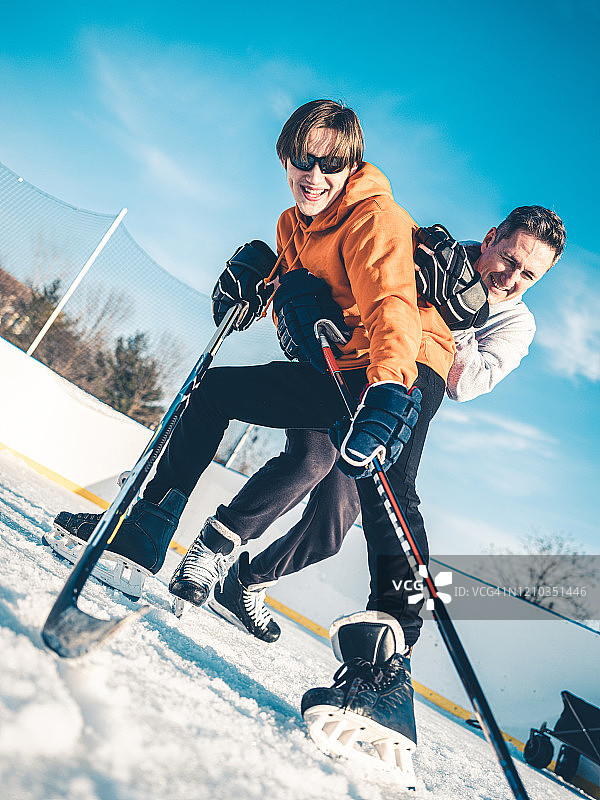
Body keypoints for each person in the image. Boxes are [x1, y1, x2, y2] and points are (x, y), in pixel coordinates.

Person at [53, 98, 457, 776]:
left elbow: (391, 303)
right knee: (215, 393)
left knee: (378, 492)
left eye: (332, 161)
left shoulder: (373, 217)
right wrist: (261, 285)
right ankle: (147, 526)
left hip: (398, 366)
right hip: (333, 366)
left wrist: (390, 390)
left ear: (351, 163)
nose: (315, 172)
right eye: (305, 157)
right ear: (286, 155)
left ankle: (386, 675)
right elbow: (296, 292)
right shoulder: (293, 222)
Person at [203, 206, 566, 649]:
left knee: (331, 527)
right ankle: (213, 549)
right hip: (351, 368)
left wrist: (458, 314)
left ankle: (246, 581)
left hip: (391, 411)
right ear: (490, 238)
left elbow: (468, 384)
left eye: (528, 275)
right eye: (509, 260)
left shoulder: (518, 323)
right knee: (309, 462)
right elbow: (360, 277)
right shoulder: (430, 250)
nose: (511, 279)